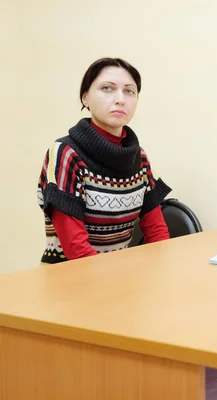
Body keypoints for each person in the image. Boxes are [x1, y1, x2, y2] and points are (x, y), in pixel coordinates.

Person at [37, 57, 171, 264]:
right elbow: (76, 250)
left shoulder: (139, 157)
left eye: (129, 91)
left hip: (120, 277)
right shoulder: (65, 153)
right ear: (85, 99)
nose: (120, 99)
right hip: (69, 280)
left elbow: (156, 231)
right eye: (107, 88)